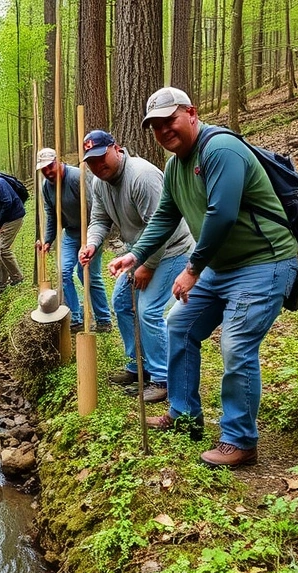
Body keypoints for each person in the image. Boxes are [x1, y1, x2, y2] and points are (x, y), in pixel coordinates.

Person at [108, 87, 298, 468]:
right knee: (179, 325)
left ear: (191, 113)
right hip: (223, 267)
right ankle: (184, 415)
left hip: (264, 262)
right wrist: (135, 254)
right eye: (156, 126)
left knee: (236, 344)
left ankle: (240, 440)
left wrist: (192, 270)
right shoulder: (177, 167)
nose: (164, 131)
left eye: (170, 121)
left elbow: (222, 213)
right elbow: (164, 217)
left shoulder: (220, 150)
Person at [77, 130, 193, 402]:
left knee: (148, 310)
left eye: (101, 157)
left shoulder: (142, 176)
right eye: (91, 162)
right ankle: (139, 365)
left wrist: (148, 266)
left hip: (171, 250)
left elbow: (162, 225)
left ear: (116, 148)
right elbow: (99, 220)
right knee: (122, 303)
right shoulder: (99, 182)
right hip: (138, 254)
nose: (97, 165)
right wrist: (92, 244)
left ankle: (164, 378)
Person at [35, 147, 112, 331]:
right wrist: (48, 239)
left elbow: (96, 208)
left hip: (90, 232)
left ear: (58, 161)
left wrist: (92, 239)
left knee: (87, 275)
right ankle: (76, 318)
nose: (47, 172)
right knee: (64, 273)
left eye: (50, 167)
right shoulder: (47, 187)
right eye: (43, 169)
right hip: (70, 233)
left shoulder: (77, 177)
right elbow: (52, 215)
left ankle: (103, 319)